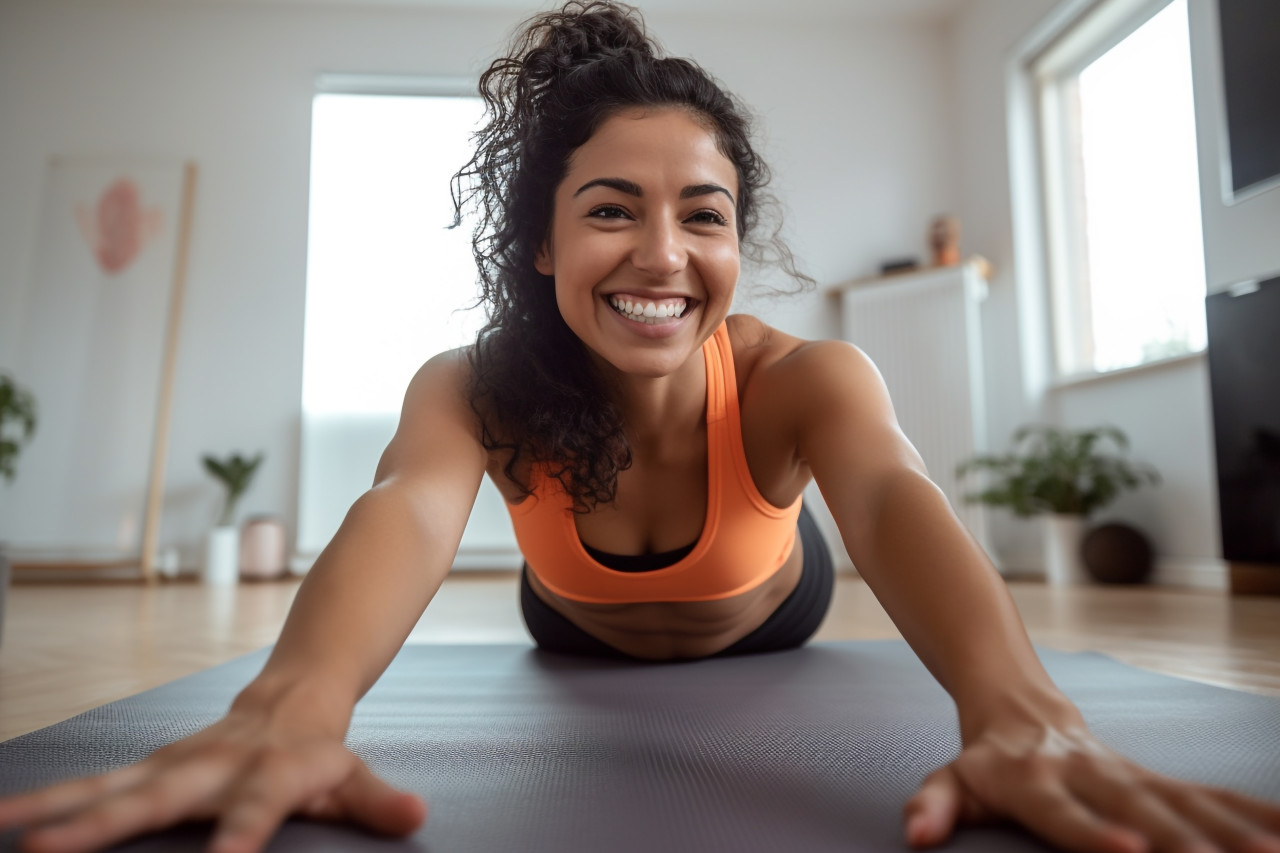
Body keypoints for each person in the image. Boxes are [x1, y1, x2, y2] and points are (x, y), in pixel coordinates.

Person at [3, 3, 1279, 852]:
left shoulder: (804, 380)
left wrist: (1017, 710)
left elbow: (892, 494)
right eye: (611, 210)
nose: (662, 255)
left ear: (735, 239)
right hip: (571, 622)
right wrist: (289, 709)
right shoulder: (472, 386)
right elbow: (401, 506)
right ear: (542, 242)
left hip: (768, 605)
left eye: (702, 215)